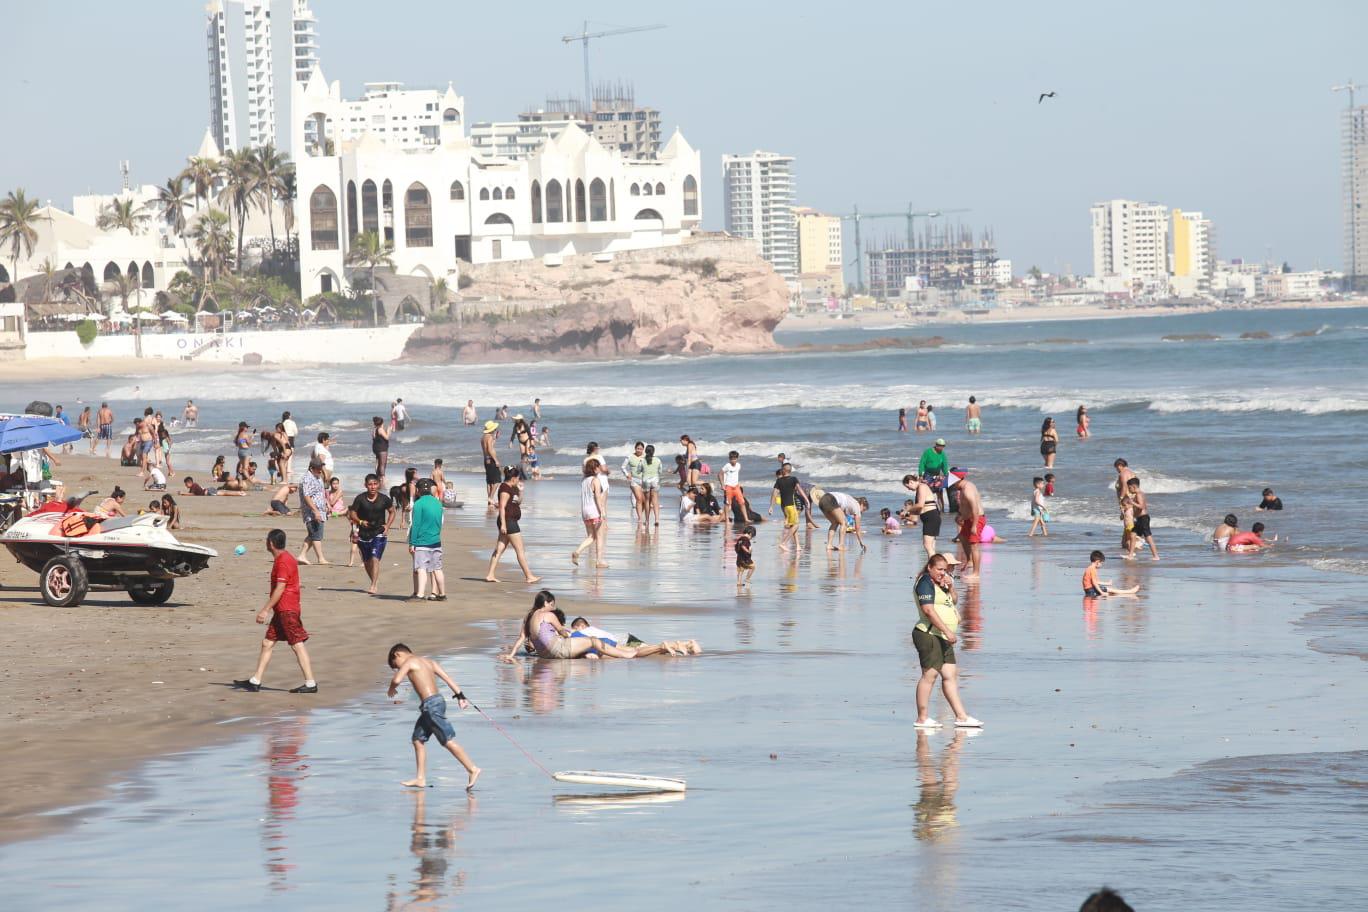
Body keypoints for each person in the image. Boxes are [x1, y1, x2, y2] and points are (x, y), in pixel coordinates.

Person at [233, 529, 318, 694]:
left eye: (267, 540)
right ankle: (255, 681)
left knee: (297, 644)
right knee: (267, 643)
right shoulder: (286, 558)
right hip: (283, 610)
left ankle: (310, 683)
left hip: (287, 610)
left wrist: (265, 610)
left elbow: (280, 588)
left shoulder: (283, 561)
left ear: (271, 543)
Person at [385, 644, 481, 790]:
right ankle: (420, 778)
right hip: (437, 702)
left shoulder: (409, 662)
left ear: (398, 654)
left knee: (447, 740)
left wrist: (391, 688)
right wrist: (460, 696)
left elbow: (397, 680)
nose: (398, 668)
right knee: (417, 740)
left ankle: (472, 768)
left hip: (431, 706)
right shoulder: (430, 662)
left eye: (395, 665)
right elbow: (447, 678)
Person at [911, 553, 982, 729]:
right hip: (929, 634)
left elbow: (953, 601)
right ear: (930, 567)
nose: (943, 572)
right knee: (930, 675)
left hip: (943, 636)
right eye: (940, 569)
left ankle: (961, 717)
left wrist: (950, 587)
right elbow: (928, 610)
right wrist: (947, 630)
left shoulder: (940, 583)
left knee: (950, 675)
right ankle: (922, 718)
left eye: (945, 569)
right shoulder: (925, 582)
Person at [486, 465, 540, 584]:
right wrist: (503, 525)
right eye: (518, 478)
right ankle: (529, 576)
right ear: (513, 478)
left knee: (499, 549)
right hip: (508, 521)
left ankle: (490, 575)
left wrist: (520, 491)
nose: (519, 480)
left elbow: (518, 502)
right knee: (520, 550)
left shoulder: (511, 488)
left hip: (508, 521)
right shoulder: (505, 489)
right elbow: (502, 507)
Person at [349, 473, 395, 595]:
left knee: (375, 558)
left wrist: (387, 526)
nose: (373, 487)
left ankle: (373, 585)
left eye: (375, 484)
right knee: (367, 562)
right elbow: (352, 513)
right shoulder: (360, 498)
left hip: (379, 532)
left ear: (379, 485)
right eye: (370, 484)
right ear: (365, 485)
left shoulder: (384, 499)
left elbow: (392, 511)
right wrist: (360, 521)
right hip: (363, 534)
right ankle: (374, 580)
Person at [409, 478, 446, 600]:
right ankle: (442, 594)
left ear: (418, 491)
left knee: (421, 568)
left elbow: (416, 525)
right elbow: (439, 523)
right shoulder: (438, 503)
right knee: (437, 569)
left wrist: (412, 543)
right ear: (430, 490)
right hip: (436, 541)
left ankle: (420, 594)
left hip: (422, 542)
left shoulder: (419, 504)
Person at [571, 458, 610, 568]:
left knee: (591, 537)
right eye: (598, 467)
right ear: (594, 468)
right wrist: (602, 511)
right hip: (594, 510)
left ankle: (577, 551)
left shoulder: (584, 481)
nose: (600, 469)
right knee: (600, 536)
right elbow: (597, 497)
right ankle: (599, 561)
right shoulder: (595, 480)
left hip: (585, 511)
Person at [296, 459, 329, 565]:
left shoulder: (317, 477)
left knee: (312, 535)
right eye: (318, 468)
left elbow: (319, 492)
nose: (320, 470)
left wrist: (326, 503)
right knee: (316, 535)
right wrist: (315, 511)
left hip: (320, 510)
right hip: (312, 512)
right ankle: (321, 558)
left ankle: (302, 555)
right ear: (311, 468)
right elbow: (307, 496)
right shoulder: (307, 479)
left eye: (321, 468)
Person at [902, 473, 942, 560]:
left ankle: (934, 565)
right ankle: (932, 565)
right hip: (931, 517)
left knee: (927, 545)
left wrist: (907, 511)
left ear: (911, 482)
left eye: (907, 486)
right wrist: (906, 514)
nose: (908, 489)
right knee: (931, 546)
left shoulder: (922, 487)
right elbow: (919, 511)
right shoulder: (920, 489)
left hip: (931, 517)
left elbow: (920, 505)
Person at [768, 462, 806, 553]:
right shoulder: (793, 479)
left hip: (784, 506)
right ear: (790, 470)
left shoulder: (779, 481)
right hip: (792, 505)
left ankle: (797, 545)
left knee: (792, 525)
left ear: (783, 470)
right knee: (796, 525)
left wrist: (771, 506)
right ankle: (783, 543)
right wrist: (806, 499)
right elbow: (800, 490)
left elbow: (774, 494)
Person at [953, 469, 983, 579]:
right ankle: (970, 561)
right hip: (968, 519)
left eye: (952, 482)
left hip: (976, 519)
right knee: (962, 537)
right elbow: (965, 507)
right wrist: (961, 516)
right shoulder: (963, 488)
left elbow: (975, 508)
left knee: (974, 545)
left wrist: (974, 525)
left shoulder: (967, 489)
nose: (951, 485)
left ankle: (976, 573)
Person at [1124, 476, 1159, 560]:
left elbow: (1141, 506)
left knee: (1148, 537)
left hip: (1143, 518)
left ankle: (1156, 556)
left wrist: (1132, 502)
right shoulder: (1138, 494)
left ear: (1134, 486)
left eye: (1129, 488)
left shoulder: (1139, 494)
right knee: (1132, 535)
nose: (1129, 490)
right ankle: (1130, 555)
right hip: (1140, 519)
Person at [918, 439, 949, 511]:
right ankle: (925, 509)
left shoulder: (943, 454)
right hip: (928, 475)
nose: (942, 448)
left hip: (937, 476)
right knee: (927, 493)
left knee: (939, 493)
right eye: (940, 446)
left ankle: (942, 510)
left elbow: (945, 465)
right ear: (936, 445)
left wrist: (946, 475)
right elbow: (922, 463)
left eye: (943, 446)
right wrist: (920, 474)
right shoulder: (928, 452)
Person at [622, 441, 647, 524]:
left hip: (644, 481)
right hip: (634, 480)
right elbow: (623, 467)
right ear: (635, 448)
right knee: (639, 499)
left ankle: (641, 515)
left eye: (641, 449)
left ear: (643, 449)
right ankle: (640, 518)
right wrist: (626, 474)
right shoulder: (630, 456)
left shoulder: (646, 457)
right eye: (638, 448)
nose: (639, 450)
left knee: (645, 501)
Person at [1113, 458, 1135, 551]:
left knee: (1128, 524)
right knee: (1129, 523)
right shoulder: (1131, 472)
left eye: (1116, 467)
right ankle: (1127, 544)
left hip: (1126, 502)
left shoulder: (1123, 473)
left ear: (1120, 466)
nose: (1117, 470)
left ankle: (1131, 548)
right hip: (1132, 501)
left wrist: (1121, 499)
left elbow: (1125, 487)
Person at [640, 443, 663, 527]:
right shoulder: (658, 460)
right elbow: (660, 471)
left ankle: (647, 520)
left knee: (647, 501)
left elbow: (639, 470)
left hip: (646, 481)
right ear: (653, 452)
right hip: (655, 481)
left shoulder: (642, 460)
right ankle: (657, 520)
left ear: (645, 451)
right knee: (655, 501)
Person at [481, 421, 500, 506]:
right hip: (491, 460)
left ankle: (490, 500)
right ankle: (491, 498)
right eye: (494, 429)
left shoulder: (483, 437)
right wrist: (496, 460)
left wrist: (495, 438)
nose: (495, 430)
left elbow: (490, 446)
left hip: (486, 459)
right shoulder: (489, 437)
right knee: (497, 481)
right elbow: (490, 449)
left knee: (489, 481)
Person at [719, 450, 744, 516]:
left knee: (742, 502)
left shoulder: (738, 465)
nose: (733, 461)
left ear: (737, 458)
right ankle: (726, 518)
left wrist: (737, 483)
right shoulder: (727, 465)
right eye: (731, 459)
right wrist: (722, 485)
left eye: (734, 459)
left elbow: (735, 475)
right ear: (729, 459)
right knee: (728, 503)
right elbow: (720, 474)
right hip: (728, 486)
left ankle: (746, 518)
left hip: (736, 486)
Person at [371, 416, 391, 480]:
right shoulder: (380, 429)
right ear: (382, 423)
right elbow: (387, 437)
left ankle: (377, 476)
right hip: (382, 448)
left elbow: (374, 438)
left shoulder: (374, 429)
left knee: (378, 462)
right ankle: (382, 478)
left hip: (376, 448)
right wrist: (388, 431)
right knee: (382, 464)